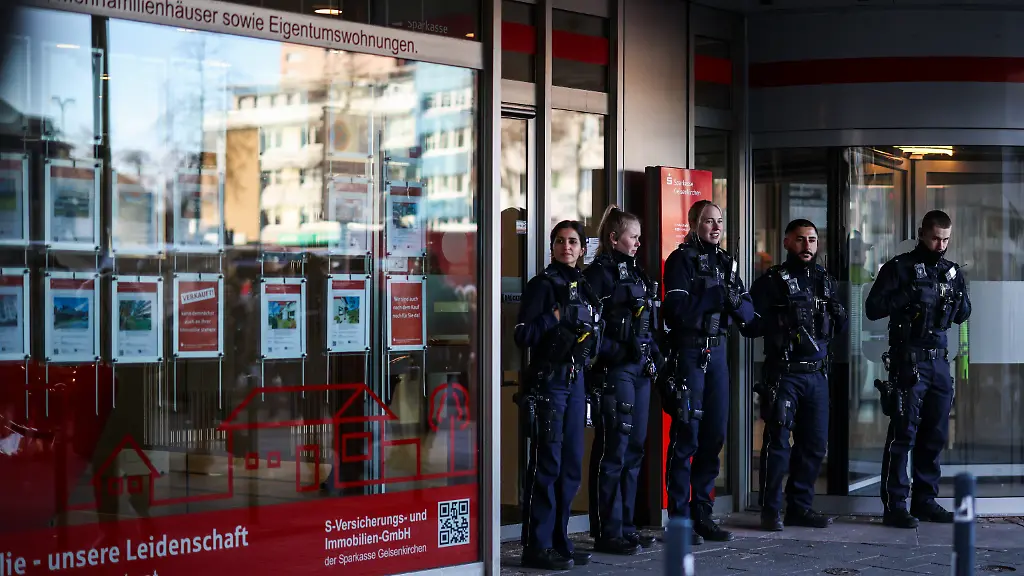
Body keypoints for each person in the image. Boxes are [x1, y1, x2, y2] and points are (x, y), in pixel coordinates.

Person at [865, 210, 971, 529]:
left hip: (939, 361)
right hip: (909, 358)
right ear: (922, 233)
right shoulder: (900, 268)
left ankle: (924, 499)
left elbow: (963, 314)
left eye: (946, 239)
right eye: (936, 238)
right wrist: (908, 294)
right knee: (903, 432)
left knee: (935, 432)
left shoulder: (951, 272)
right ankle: (895, 504)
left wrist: (958, 294)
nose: (941, 245)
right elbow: (872, 309)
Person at [743, 219, 848, 531]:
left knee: (814, 444)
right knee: (778, 444)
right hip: (784, 374)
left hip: (816, 375)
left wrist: (836, 314)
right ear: (787, 242)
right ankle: (771, 510)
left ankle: (799, 507)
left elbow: (837, 328)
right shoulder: (771, 282)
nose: (807, 246)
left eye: (812, 240)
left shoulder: (825, 281)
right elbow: (749, 326)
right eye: (800, 240)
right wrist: (781, 319)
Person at [660, 200, 755, 544]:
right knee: (687, 435)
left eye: (719, 222)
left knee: (713, 436)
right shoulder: (681, 260)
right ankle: (680, 520)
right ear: (692, 223)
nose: (716, 227)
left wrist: (731, 301)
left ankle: (703, 514)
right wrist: (714, 296)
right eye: (708, 221)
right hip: (690, 351)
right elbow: (676, 311)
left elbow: (748, 310)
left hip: (718, 353)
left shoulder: (726, 262)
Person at [515, 220, 602, 569]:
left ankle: (559, 540)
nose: (567, 247)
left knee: (570, 467)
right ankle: (536, 545)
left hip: (575, 378)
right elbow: (523, 335)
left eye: (573, 242)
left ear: (582, 249)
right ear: (552, 247)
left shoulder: (584, 286)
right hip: (549, 381)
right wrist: (555, 315)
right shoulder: (543, 285)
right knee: (547, 466)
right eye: (561, 241)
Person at [584, 206, 663, 555]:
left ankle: (626, 526)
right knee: (614, 450)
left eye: (639, 236)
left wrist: (656, 355)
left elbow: (649, 323)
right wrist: (618, 348)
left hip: (640, 370)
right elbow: (588, 329)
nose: (637, 242)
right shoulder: (598, 274)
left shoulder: (639, 274)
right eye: (633, 236)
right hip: (615, 371)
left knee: (634, 450)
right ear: (614, 238)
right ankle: (607, 530)